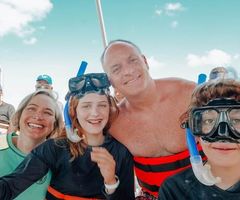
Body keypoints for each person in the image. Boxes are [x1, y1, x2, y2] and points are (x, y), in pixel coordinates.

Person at [0, 73, 135, 200]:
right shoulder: (54, 148)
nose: (95, 113)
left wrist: (111, 182)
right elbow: (10, 187)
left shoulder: (121, 153)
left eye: (102, 105)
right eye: (86, 106)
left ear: (109, 109)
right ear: (73, 111)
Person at [101, 39, 204, 199]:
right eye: (116, 68)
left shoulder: (190, 94)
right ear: (110, 81)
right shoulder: (113, 123)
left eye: (132, 60)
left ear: (145, 61)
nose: (128, 71)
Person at [158, 79, 240, 200]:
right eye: (209, 121)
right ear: (192, 129)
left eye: (237, 120)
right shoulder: (175, 190)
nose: (223, 134)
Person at [0, 89, 64, 200]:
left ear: (55, 123)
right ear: (19, 115)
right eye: (31, 108)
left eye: (48, 112)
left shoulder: (60, 161)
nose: (38, 116)